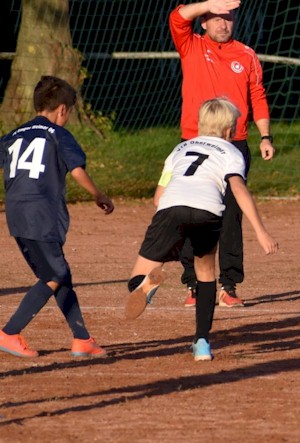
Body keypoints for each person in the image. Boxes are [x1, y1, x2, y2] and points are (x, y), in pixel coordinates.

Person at [124, 97, 279, 362]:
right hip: (208, 210)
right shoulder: (232, 152)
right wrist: (261, 231)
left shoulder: (179, 149)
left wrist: (171, 231)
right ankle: (202, 343)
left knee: (134, 282)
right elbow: (238, 189)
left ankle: (147, 282)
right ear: (230, 130)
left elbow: (158, 197)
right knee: (206, 272)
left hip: (171, 207)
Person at [0, 75, 114, 358]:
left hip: (16, 212)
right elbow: (76, 170)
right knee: (56, 272)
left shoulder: (13, 135)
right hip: (42, 212)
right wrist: (99, 195)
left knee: (58, 274)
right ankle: (10, 332)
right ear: (62, 109)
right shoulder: (57, 134)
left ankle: (82, 338)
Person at [170, 0, 274, 308]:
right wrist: (208, 3)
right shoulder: (191, 45)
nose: (222, 23)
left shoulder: (246, 55)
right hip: (195, 143)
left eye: (227, 18)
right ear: (203, 22)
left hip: (234, 144)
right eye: (215, 18)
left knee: (231, 216)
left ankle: (229, 285)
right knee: (192, 214)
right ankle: (193, 284)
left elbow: (258, 95)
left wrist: (265, 136)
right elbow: (177, 18)